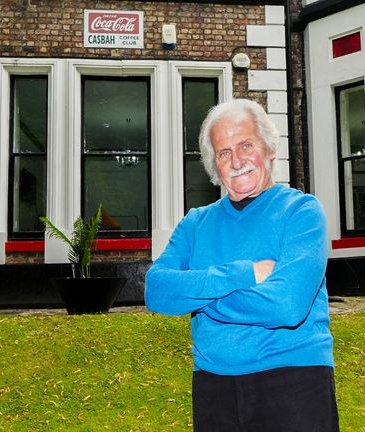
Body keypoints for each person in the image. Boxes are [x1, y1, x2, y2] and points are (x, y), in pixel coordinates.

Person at [145, 99, 338, 432]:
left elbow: (287, 305)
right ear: (214, 165)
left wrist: (198, 296)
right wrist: (244, 273)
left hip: (294, 380)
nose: (236, 161)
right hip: (213, 386)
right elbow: (157, 290)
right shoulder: (196, 223)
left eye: (246, 145)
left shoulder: (301, 212)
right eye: (223, 152)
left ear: (269, 149)